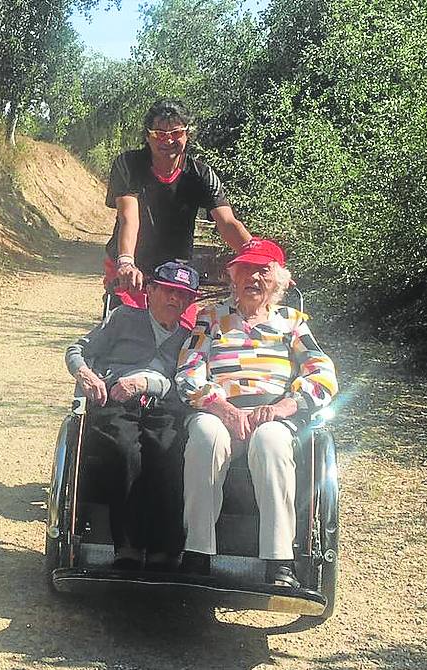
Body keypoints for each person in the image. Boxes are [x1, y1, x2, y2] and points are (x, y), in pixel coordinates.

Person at [175, 238, 338, 587]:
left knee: (272, 442)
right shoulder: (211, 318)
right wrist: (223, 408)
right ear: (233, 278)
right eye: (246, 269)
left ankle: (279, 561)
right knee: (205, 436)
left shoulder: (292, 323)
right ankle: (197, 553)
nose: (253, 277)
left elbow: (322, 373)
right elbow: (188, 372)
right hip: (219, 410)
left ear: (278, 281)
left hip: (271, 413)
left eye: (263, 270)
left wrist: (284, 407)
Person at [65, 260, 200, 570]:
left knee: (169, 453)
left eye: (184, 295)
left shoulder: (189, 337)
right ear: (150, 291)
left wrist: (147, 383)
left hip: (163, 404)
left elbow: (187, 382)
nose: (175, 300)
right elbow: (78, 349)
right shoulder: (124, 318)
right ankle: (127, 547)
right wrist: (85, 374)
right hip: (115, 400)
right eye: (168, 291)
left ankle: (165, 551)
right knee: (125, 452)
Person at [104, 98, 253, 326]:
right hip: (132, 269)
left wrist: (261, 260)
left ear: (187, 134)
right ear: (147, 136)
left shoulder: (201, 174)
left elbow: (228, 222)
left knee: (183, 342)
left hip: (177, 274)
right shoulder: (128, 165)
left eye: (176, 132)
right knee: (127, 336)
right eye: (159, 133)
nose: (168, 140)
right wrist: (126, 262)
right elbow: (128, 218)